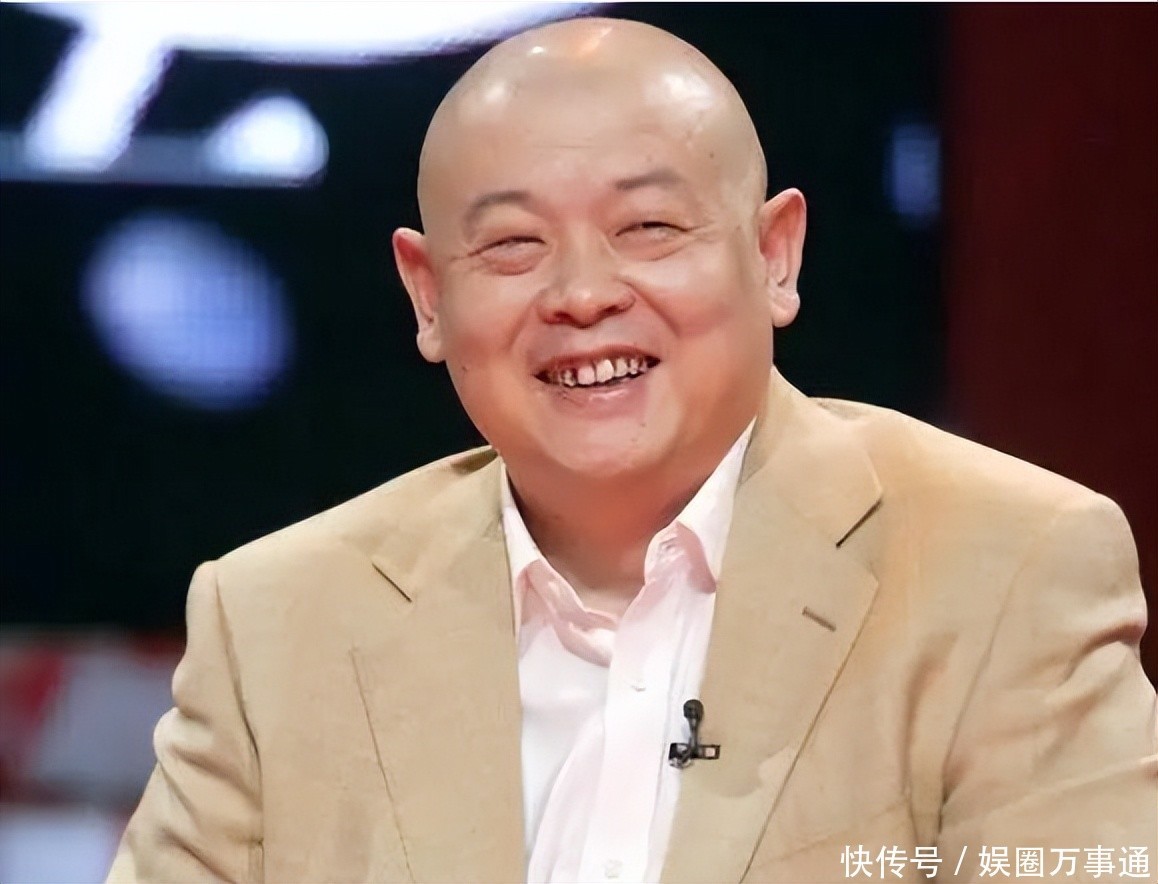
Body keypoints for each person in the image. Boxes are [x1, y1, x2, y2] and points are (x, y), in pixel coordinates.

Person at [108, 17, 1156, 884]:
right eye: (512, 244)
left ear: (774, 255)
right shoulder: (276, 622)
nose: (581, 294)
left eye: (649, 227)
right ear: (427, 296)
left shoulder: (1004, 570)